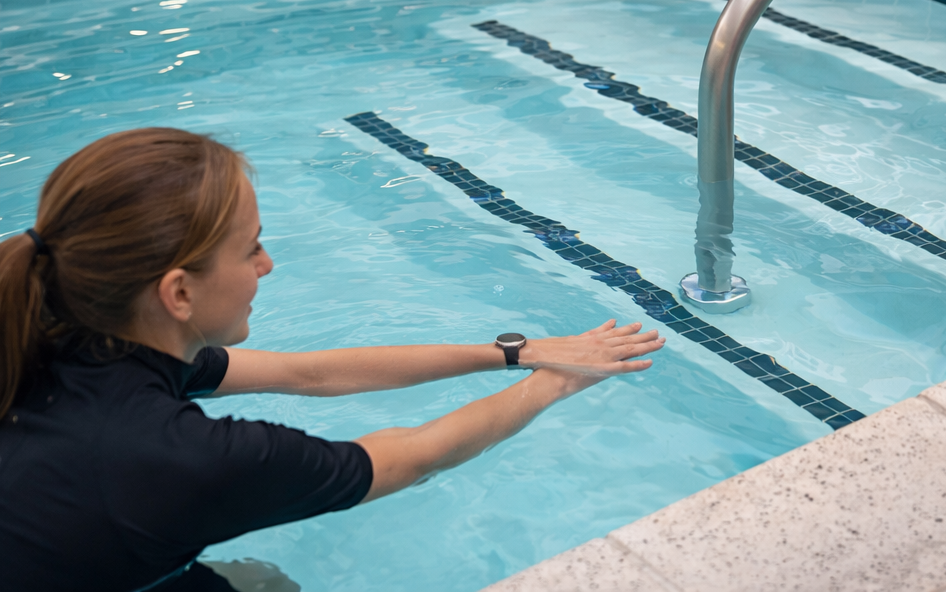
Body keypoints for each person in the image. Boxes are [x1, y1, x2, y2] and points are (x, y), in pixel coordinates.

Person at [0, 128, 666, 592]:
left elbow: (310, 373)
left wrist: (516, 354)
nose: (267, 265)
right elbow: (412, 456)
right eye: (251, 249)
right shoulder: (181, 458)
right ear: (178, 294)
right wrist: (555, 383)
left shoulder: (69, 331)